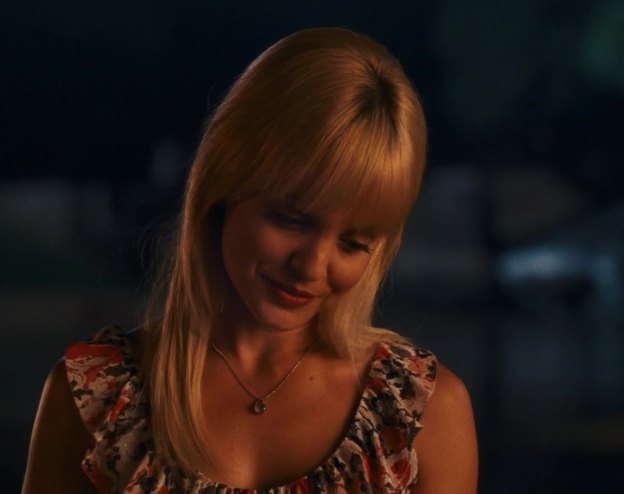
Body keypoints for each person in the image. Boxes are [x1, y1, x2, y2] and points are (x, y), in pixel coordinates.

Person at [22, 27, 478, 493]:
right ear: (224, 183)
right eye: (291, 220)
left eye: (353, 244)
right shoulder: (93, 397)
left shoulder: (422, 416)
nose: (312, 266)